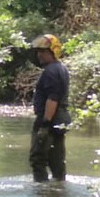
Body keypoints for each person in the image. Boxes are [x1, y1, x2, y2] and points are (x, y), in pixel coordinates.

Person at [30, 34, 71, 182]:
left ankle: (42, 193)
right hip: (61, 120)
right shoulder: (61, 69)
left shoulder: (50, 72)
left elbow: (52, 99)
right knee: (57, 161)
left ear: (53, 52)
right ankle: (58, 191)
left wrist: (44, 125)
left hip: (49, 120)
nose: (39, 55)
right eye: (38, 51)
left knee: (37, 159)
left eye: (43, 52)